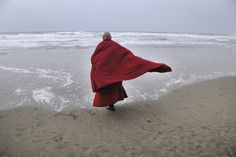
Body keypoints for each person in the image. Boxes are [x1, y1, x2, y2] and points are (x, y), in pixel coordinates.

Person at [90, 32, 172, 111]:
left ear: (103, 38)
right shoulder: (115, 45)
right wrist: (133, 60)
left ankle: (111, 106)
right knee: (114, 87)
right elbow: (126, 54)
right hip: (115, 73)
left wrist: (97, 69)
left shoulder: (100, 46)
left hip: (106, 74)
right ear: (110, 37)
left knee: (108, 88)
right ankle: (111, 105)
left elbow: (94, 58)